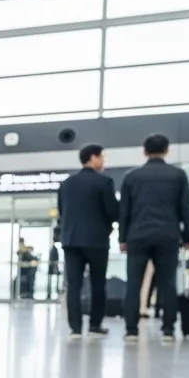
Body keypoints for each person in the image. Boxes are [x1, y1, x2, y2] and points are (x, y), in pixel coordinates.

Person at [120, 133, 189, 343]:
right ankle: (168, 330)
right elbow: (185, 208)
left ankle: (131, 330)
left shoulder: (131, 177)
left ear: (144, 152)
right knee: (168, 282)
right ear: (167, 150)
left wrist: (122, 238)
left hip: (137, 235)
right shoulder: (178, 175)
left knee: (134, 284)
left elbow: (124, 211)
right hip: (168, 235)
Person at [57, 143, 119, 339]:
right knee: (97, 283)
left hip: (71, 240)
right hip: (96, 240)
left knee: (73, 285)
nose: (103, 162)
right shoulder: (104, 182)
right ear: (94, 157)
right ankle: (95, 324)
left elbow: (62, 211)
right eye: (102, 157)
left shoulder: (66, 183)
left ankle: (75, 328)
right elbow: (112, 211)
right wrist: (108, 227)